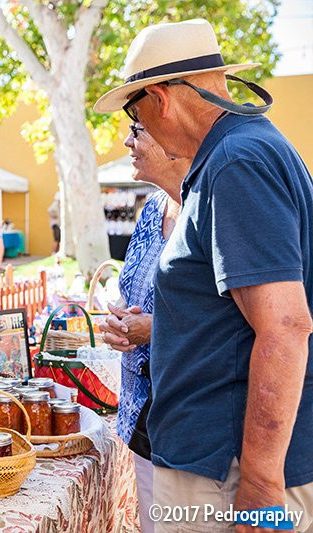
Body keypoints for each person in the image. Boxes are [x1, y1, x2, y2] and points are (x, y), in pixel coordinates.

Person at [95, 19, 313, 531]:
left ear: (159, 99)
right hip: (217, 464)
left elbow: (285, 326)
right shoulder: (236, 153)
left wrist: (260, 487)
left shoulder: (236, 162)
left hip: (227, 475)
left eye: (135, 115)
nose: (136, 131)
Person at [98, 124, 190, 533]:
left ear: (172, 137)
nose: (127, 142)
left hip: (190, 417)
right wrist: (119, 321)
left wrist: (153, 329)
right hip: (141, 412)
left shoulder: (208, 208)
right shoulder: (152, 208)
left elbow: (233, 315)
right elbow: (132, 290)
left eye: (138, 129)